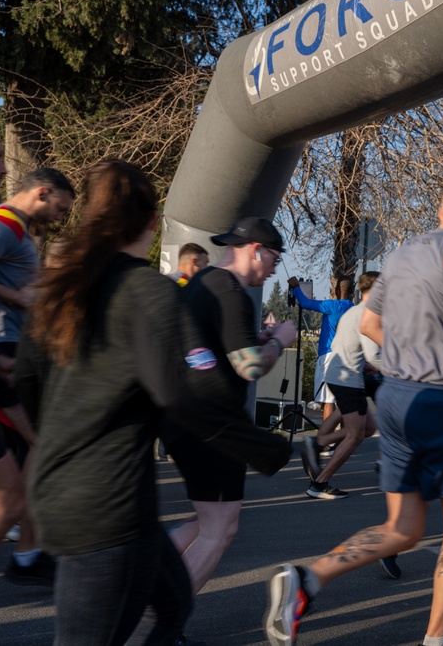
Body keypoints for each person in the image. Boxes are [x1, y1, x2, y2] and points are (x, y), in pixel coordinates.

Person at [16, 160, 291, 645]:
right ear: (149, 222)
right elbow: (186, 393)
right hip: (106, 508)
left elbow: (27, 382)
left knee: (169, 608)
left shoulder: (61, 289)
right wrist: (266, 448)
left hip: (86, 500)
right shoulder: (146, 291)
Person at [265, 180, 443, 646]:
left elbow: (369, 323)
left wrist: (407, 356)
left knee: (402, 528)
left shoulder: (403, 255)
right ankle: (436, 639)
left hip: (394, 397)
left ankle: (307, 577)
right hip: (438, 400)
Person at [166, 217, 298, 599]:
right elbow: (250, 366)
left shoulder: (203, 283)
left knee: (208, 520)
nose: (275, 268)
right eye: (274, 258)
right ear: (256, 251)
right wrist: (281, 341)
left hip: (188, 419)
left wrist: (258, 339)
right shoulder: (231, 292)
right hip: (212, 424)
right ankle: (158, 623)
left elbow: (212, 348)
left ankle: (143, 590)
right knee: (220, 529)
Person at [0, 166, 76, 586]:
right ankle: (29, 555)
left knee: (31, 463)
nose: (61, 217)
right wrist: (21, 296)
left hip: (14, 358)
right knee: (15, 489)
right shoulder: (6, 225)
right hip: (5, 360)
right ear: (43, 193)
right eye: (61, 208)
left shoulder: (18, 231)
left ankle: (29, 556)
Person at [301, 271, 381, 500]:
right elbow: (375, 354)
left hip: (340, 374)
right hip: (348, 379)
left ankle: (317, 443)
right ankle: (319, 484)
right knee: (356, 435)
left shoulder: (351, 311)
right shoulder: (367, 313)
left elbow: (341, 342)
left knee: (367, 428)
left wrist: (363, 363)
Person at [291, 274, 354, 428]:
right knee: (344, 403)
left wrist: (295, 287)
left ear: (336, 291)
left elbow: (306, 303)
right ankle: (345, 437)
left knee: (328, 401)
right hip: (348, 358)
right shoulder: (354, 309)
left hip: (329, 357)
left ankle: (328, 438)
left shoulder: (332, 306)